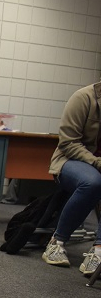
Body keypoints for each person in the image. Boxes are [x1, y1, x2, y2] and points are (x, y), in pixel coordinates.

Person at [42, 82, 101, 276]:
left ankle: (98, 251)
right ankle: (57, 242)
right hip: (70, 160)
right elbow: (68, 143)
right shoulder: (83, 98)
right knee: (92, 182)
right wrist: (96, 162)